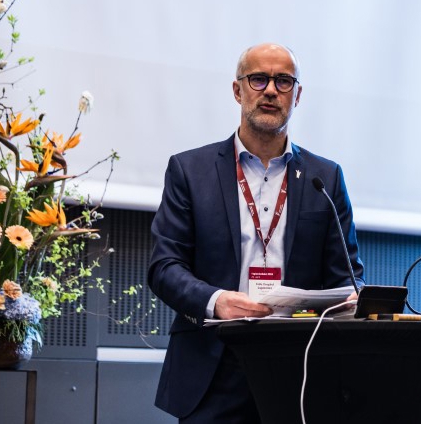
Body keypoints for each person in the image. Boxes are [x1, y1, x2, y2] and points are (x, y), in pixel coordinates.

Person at [148, 42, 365, 423]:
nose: (270, 90)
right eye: (259, 79)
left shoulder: (325, 177)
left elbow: (347, 277)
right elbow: (164, 267)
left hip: (300, 367)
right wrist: (217, 301)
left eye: (283, 81)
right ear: (238, 90)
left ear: (297, 95)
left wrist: (350, 300)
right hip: (214, 363)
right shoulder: (189, 170)